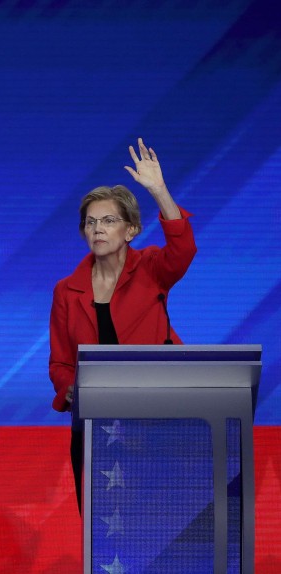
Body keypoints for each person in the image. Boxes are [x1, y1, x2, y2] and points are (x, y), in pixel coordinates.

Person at [49, 138, 197, 509]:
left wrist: (159, 191)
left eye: (109, 221)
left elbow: (183, 250)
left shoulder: (151, 269)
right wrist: (69, 390)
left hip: (158, 420)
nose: (97, 229)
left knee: (162, 519)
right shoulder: (67, 291)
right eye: (90, 222)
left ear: (131, 230)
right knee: (105, 532)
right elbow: (61, 363)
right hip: (99, 425)